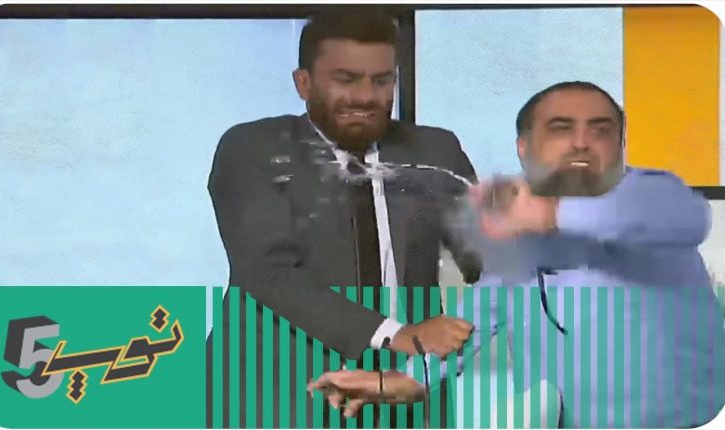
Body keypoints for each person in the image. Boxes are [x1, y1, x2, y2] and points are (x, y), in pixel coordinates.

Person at [308, 81, 725, 428]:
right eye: (561, 129)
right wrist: (402, 381)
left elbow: (681, 218)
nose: (582, 142)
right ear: (524, 147)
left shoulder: (653, 198)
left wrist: (551, 214)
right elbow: (475, 319)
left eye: (601, 130)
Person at [207, 8, 480, 428]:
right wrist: (396, 334)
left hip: (400, 393)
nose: (365, 96)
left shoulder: (435, 150)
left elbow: (491, 261)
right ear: (304, 83)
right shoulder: (253, 147)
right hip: (277, 391)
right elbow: (267, 271)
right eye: (346, 79)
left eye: (381, 80)